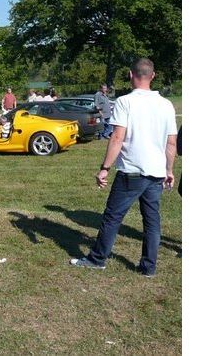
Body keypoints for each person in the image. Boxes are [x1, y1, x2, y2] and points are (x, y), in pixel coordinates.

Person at [70, 58, 177, 277]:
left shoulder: (125, 101)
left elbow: (117, 137)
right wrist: (169, 170)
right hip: (155, 173)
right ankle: (148, 267)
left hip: (131, 172)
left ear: (130, 75)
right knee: (152, 222)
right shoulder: (166, 104)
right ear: (153, 76)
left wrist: (105, 168)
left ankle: (97, 259)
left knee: (112, 217)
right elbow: (171, 142)